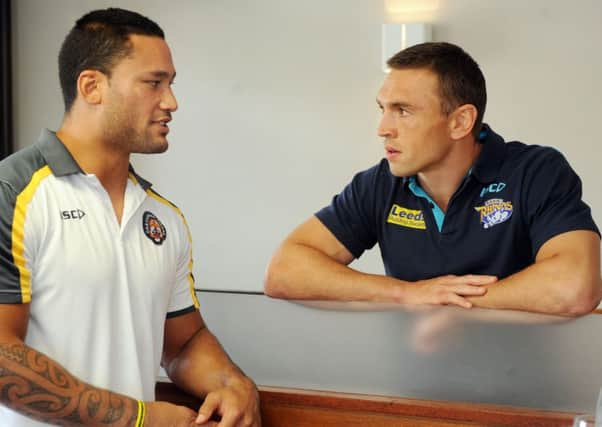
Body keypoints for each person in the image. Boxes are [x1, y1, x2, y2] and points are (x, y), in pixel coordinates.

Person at [0, 8, 260, 427]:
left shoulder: (163, 218)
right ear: (92, 86)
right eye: (153, 83)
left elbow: (183, 342)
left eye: (171, 84)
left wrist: (234, 383)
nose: (171, 102)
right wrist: (137, 418)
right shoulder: (12, 193)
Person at [264, 42, 602, 316]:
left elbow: (574, 286)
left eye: (403, 111)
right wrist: (405, 293)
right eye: (382, 109)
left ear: (460, 122)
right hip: (413, 380)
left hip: (522, 383)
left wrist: (443, 300)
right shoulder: (380, 183)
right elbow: (284, 271)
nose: (383, 128)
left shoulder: (536, 171)